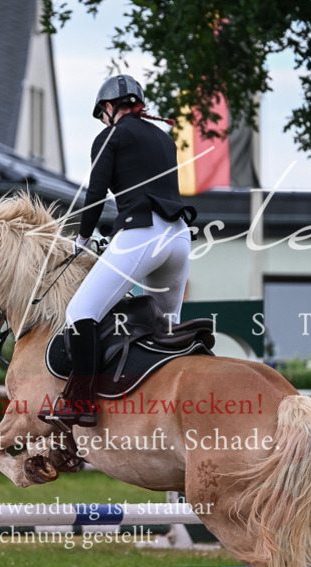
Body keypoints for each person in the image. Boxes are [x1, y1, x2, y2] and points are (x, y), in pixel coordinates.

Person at [45, 74, 197, 428]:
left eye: (102, 115)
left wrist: (81, 239)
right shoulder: (163, 138)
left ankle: (80, 403)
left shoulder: (110, 135)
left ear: (110, 108)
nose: (102, 121)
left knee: (80, 311)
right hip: (178, 238)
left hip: (142, 234)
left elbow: (96, 193)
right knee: (166, 328)